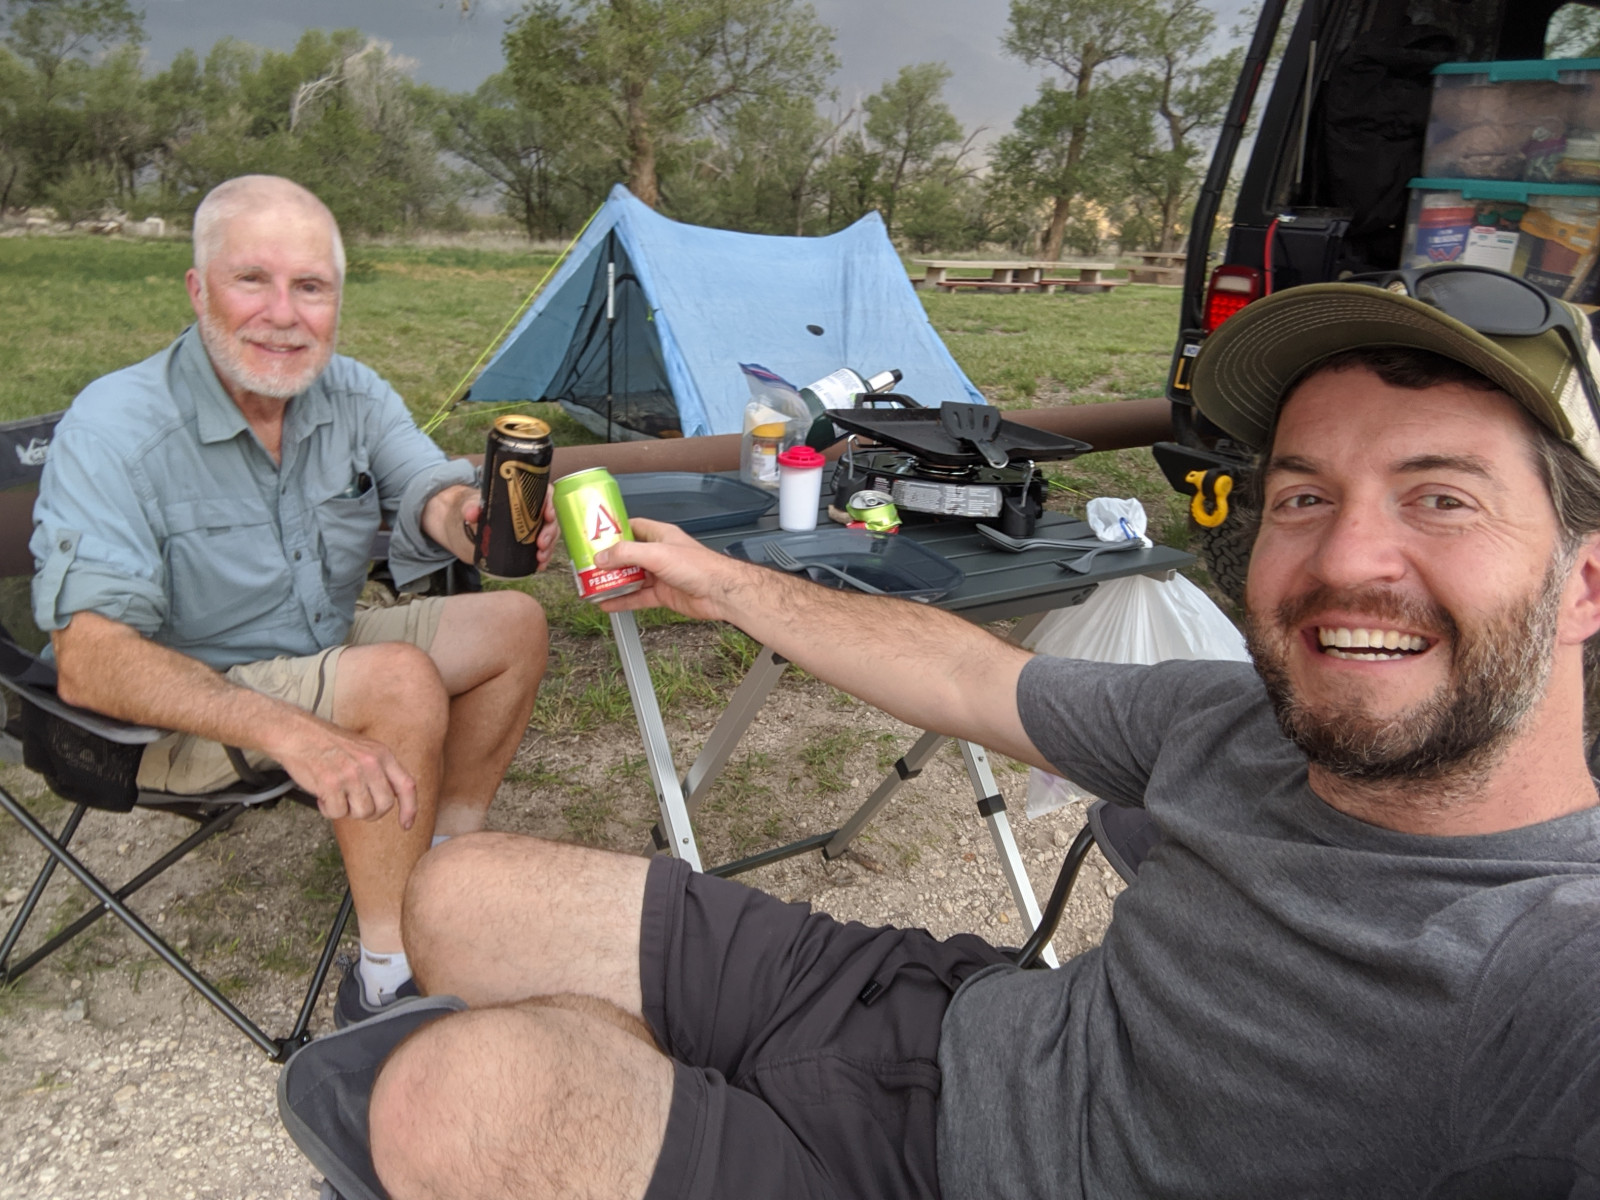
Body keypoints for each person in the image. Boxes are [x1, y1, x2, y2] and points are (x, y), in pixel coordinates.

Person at [359, 272, 1600, 1198]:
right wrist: (732, 587)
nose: (1346, 559)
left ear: (1585, 583)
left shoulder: (1547, 959)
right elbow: (973, 675)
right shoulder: (1238, 720)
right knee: (461, 891)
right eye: (1303, 497)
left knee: (453, 1102)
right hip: (952, 1026)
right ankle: (668, 1100)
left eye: (1441, 498)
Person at [30, 175, 556, 1027]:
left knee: (512, 623)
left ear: (336, 300)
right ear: (199, 289)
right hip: (174, 703)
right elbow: (91, 661)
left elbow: (423, 480)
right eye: (252, 280)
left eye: (310, 287)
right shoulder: (117, 428)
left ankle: (446, 874)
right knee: (394, 681)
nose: (284, 313)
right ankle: (389, 979)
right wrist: (289, 729)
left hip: (310, 635)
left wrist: (463, 519)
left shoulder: (348, 392)